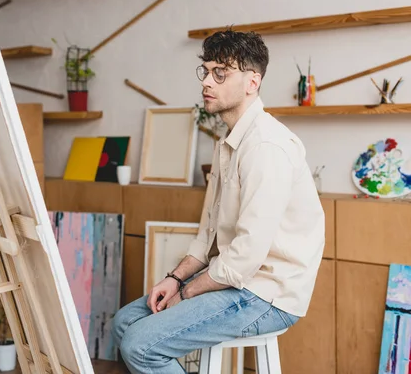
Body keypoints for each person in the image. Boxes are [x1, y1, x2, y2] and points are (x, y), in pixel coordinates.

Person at [111, 29, 325, 373]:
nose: (207, 82)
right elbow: (208, 230)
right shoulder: (228, 142)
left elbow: (245, 258)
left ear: (252, 82)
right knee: (124, 323)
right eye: (206, 71)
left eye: (220, 73)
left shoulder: (267, 147)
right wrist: (175, 278)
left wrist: (186, 294)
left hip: (268, 293)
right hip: (236, 281)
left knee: (139, 346)